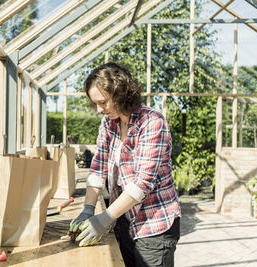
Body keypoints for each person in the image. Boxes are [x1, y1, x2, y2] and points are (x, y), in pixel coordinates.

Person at [69, 62, 181, 267]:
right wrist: (88, 208)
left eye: (103, 102)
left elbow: (142, 184)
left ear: (121, 94)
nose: (98, 109)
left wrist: (103, 219)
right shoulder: (108, 123)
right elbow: (98, 166)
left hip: (154, 225)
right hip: (124, 220)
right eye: (95, 103)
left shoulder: (152, 122)